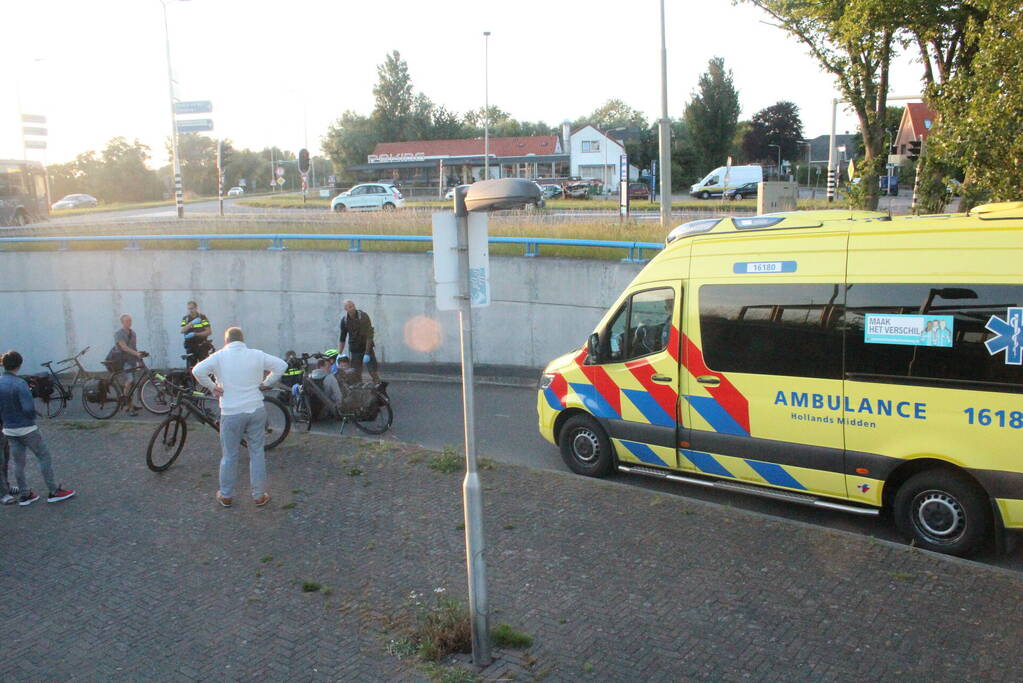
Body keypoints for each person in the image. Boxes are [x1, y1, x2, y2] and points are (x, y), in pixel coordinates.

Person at [192, 327, 286, 508]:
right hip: (256, 409)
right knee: (257, 452)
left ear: (226, 341)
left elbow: (197, 371)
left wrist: (212, 387)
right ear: (243, 340)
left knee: (229, 455)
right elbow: (281, 365)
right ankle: (259, 496)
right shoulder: (256, 354)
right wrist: (266, 383)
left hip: (231, 412)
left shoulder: (219, 356)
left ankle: (226, 495)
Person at [0, 351, 75, 506]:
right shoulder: (20, 384)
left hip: (9, 428)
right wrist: (32, 416)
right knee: (44, 456)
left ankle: (25, 494)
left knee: (18, 462)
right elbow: (28, 408)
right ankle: (54, 491)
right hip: (26, 428)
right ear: (19, 365)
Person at [109, 314, 146, 416]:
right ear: (122, 322)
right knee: (129, 381)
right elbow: (124, 347)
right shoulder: (119, 334)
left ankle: (131, 404)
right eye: (127, 321)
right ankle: (128, 407)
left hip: (132, 361)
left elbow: (134, 347)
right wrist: (136, 354)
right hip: (123, 361)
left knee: (132, 384)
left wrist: (139, 357)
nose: (129, 323)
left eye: (130, 321)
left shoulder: (133, 333)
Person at [338, 299, 381, 383]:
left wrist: (367, 353)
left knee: (372, 371)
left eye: (353, 306)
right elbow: (342, 337)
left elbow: (369, 335)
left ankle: (378, 387)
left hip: (366, 347)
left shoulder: (363, 317)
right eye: (350, 307)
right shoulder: (344, 321)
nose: (352, 308)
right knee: (356, 373)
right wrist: (339, 353)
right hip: (355, 350)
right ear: (346, 309)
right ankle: (359, 392)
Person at [181, 300, 214, 368]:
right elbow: (182, 330)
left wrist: (196, 334)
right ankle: (192, 379)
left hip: (202, 346)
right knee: (192, 368)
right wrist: (191, 323)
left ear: (196, 308)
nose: (190, 310)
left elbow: (209, 331)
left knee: (204, 367)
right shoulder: (185, 319)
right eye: (189, 308)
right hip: (190, 346)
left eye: (192, 308)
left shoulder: (202, 318)